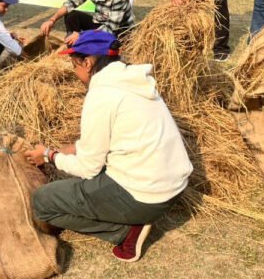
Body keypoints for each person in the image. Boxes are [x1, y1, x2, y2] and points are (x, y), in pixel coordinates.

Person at [25, 30, 192, 262]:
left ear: (88, 62)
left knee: (42, 201)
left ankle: (124, 232)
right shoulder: (134, 82)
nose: (76, 74)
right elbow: (110, 140)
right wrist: (69, 149)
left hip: (144, 196)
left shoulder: (102, 95)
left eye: (75, 66)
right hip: (171, 188)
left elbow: (88, 169)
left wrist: (49, 155)